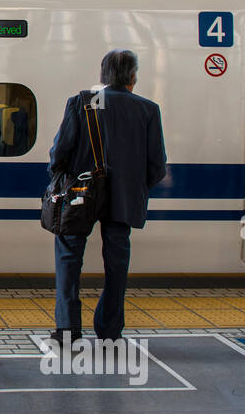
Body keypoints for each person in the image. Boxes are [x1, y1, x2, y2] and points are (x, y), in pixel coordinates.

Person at [47, 49, 168, 344]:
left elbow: (59, 152)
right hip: (123, 199)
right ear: (133, 76)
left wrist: (62, 179)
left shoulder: (82, 103)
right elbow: (157, 165)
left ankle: (67, 330)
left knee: (68, 258)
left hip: (80, 196)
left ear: (103, 74)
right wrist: (133, 186)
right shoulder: (147, 109)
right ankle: (109, 330)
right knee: (116, 265)